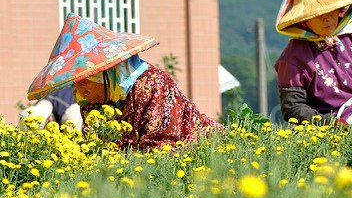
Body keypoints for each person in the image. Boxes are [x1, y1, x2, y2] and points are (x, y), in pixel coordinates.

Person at [27, 14, 221, 150]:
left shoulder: (153, 86)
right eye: (75, 84)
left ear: (104, 73)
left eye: (84, 82)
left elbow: (162, 149)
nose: (79, 92)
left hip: (203, 160)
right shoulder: (93, 102)